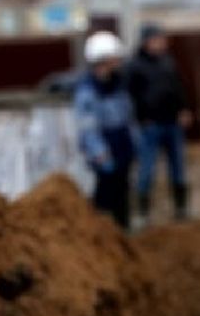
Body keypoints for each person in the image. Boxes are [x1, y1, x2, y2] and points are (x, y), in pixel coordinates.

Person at [126, 25, 193, 222]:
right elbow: (130, 97)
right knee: (146, 169)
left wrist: (184, 109)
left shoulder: (167, 62)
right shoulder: (134, 66)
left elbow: (178, 87)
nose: (162, 43)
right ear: (147, 41)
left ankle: (181, 209)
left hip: (172, 123)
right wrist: (141, 119)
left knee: (178, 168)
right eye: (158, 39)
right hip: (150, 125)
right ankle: (143, 213)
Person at [75, 30, 137, 229]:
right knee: (104, 196)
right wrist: (99, 152)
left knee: (122, 195)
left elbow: (127, 116)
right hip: (105, 150)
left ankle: (123, 233)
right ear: (101, 60)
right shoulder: (88, 91)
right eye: (113, 58)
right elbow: (87, 127)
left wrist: (133, 142)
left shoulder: (118, 85)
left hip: (122, 145)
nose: (118, 62)